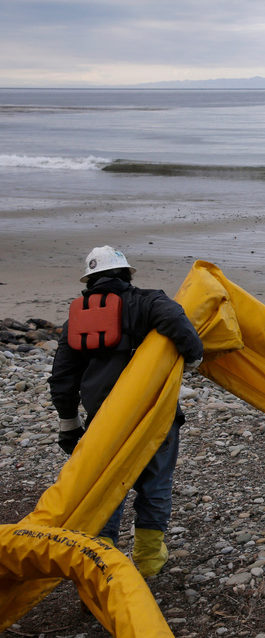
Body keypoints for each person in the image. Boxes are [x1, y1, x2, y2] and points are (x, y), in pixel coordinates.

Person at [48, 246, 204, 577]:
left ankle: (103, 564)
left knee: (106, 487)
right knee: (156, 483)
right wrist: (193, 358)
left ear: (89, 281)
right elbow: (178, 323)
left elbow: (62, 378)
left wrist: (69, 425)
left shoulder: (77, 320)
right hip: (156, 415)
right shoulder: (147, 302)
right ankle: (148, 560)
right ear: (126, 274)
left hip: (104, 420)